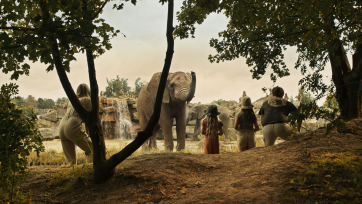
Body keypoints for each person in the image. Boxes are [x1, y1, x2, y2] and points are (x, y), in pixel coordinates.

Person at [59, 84, 93, 164]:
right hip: (72, 125)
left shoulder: (72, 101)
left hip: (62, 125)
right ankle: (90, 173)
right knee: (92, 151)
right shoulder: (87, 100)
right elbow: (88, 118)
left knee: (70, 160)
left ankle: (71, 175)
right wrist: (88, 132)